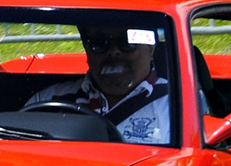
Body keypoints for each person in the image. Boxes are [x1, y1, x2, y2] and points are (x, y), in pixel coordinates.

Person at [23, 26, 171, 144]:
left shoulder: (179, 106)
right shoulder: (47, 101)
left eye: (127, 43)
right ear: (87, 50)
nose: (113, 52)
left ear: (150, 48)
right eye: (99, 44)